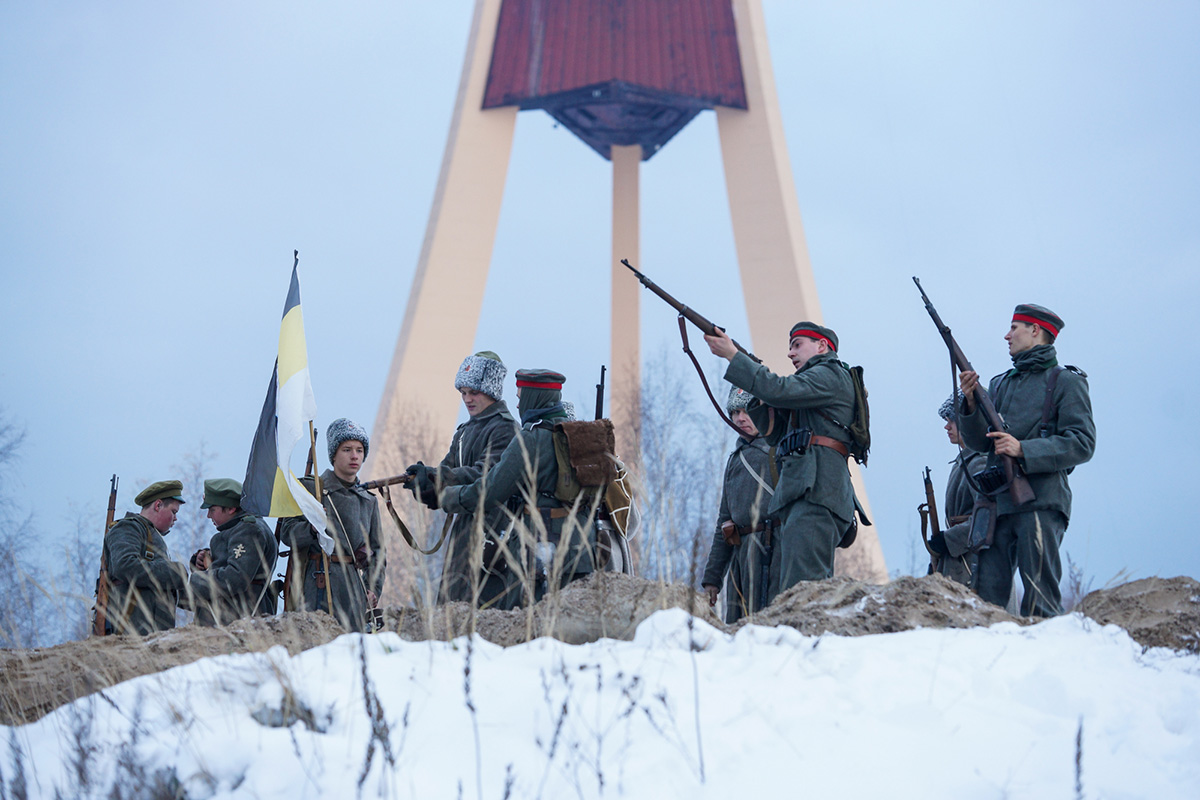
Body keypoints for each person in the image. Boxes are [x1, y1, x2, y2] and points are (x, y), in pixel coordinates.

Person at [957, 304, 1095, 617]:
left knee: (1040, 601)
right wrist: (969, 404)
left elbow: (1083, 443)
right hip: (998, 504)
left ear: (1036, 331)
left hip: (1041, 501)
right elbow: (981, 443)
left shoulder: (1066, 382)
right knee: (986, 604)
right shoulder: (1001, 383)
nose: (1007, 336)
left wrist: (1024, 450)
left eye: (1015, 328)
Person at [705, 321, 859, 600]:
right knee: (794, 592)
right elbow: (776, 431)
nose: (790, 353)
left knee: (803, 593)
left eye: (797, 345)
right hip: (805, 492)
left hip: (816, 493)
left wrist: (734, 357)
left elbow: (781, 390)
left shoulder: (829, 373)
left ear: (822, 346)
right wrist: (757, 394)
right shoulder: (813, 389)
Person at [437, 369, 596, 608]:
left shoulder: (530, 439)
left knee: (526, 625)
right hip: (583, 550)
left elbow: (490, 490)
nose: (519, 404)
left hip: (539, 551)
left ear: (533, 398)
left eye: (521, 397)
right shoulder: (580, 435)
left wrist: (449, 497)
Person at [407, 350, 517, 605]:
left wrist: (437, 477)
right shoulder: (465, 431)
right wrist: (424, 486)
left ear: (491, 390)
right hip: (464, 527)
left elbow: (484, 474)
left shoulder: (505, 429)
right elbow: (449, 469)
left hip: (494, 531)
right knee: (452, 602)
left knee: (482, 607)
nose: (467, 399)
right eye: (463, 392)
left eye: (474, 392)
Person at [279, 418, 386, 632]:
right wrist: (311, 527)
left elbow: (378, 552)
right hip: (318, 583)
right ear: (333, 454)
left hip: (354, 589)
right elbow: (287, 533)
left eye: (359, 450)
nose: (354, 456)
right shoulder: (311, 489)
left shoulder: (368, 500)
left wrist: (372, 588)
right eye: (346, 449)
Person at [701, 387, 777, 623]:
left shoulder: (780, 451)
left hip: (772, 553)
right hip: (739, 556)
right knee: (736, 629)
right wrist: (713, 578)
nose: (740, 418)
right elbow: (723, 521)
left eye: (746, 411)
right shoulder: (735, 459)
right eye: (735, 412)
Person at [102, 480, 190, 635]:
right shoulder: (128, 528)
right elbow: (125, 565)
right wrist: (176, 572)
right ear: (158, 505)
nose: (175, 518)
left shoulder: (149, 535)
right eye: (174, 512)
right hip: (133, 633)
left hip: (152, 633)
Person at [187, 478, 278, 626]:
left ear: (231, 509)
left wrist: (198, 579)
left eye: (212, 509)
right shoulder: (240, 529)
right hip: (233, 618)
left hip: (239, 620)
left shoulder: (249, 530)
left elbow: (235, 577)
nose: (208, 516)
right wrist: (204, 560)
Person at [927, 394, 988, 588]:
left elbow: (987, 518)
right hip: (959, 562)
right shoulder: (965, 461)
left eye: (953, 420)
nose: (947, 426)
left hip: (974, 565)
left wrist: (947, 541)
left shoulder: (980, 462)